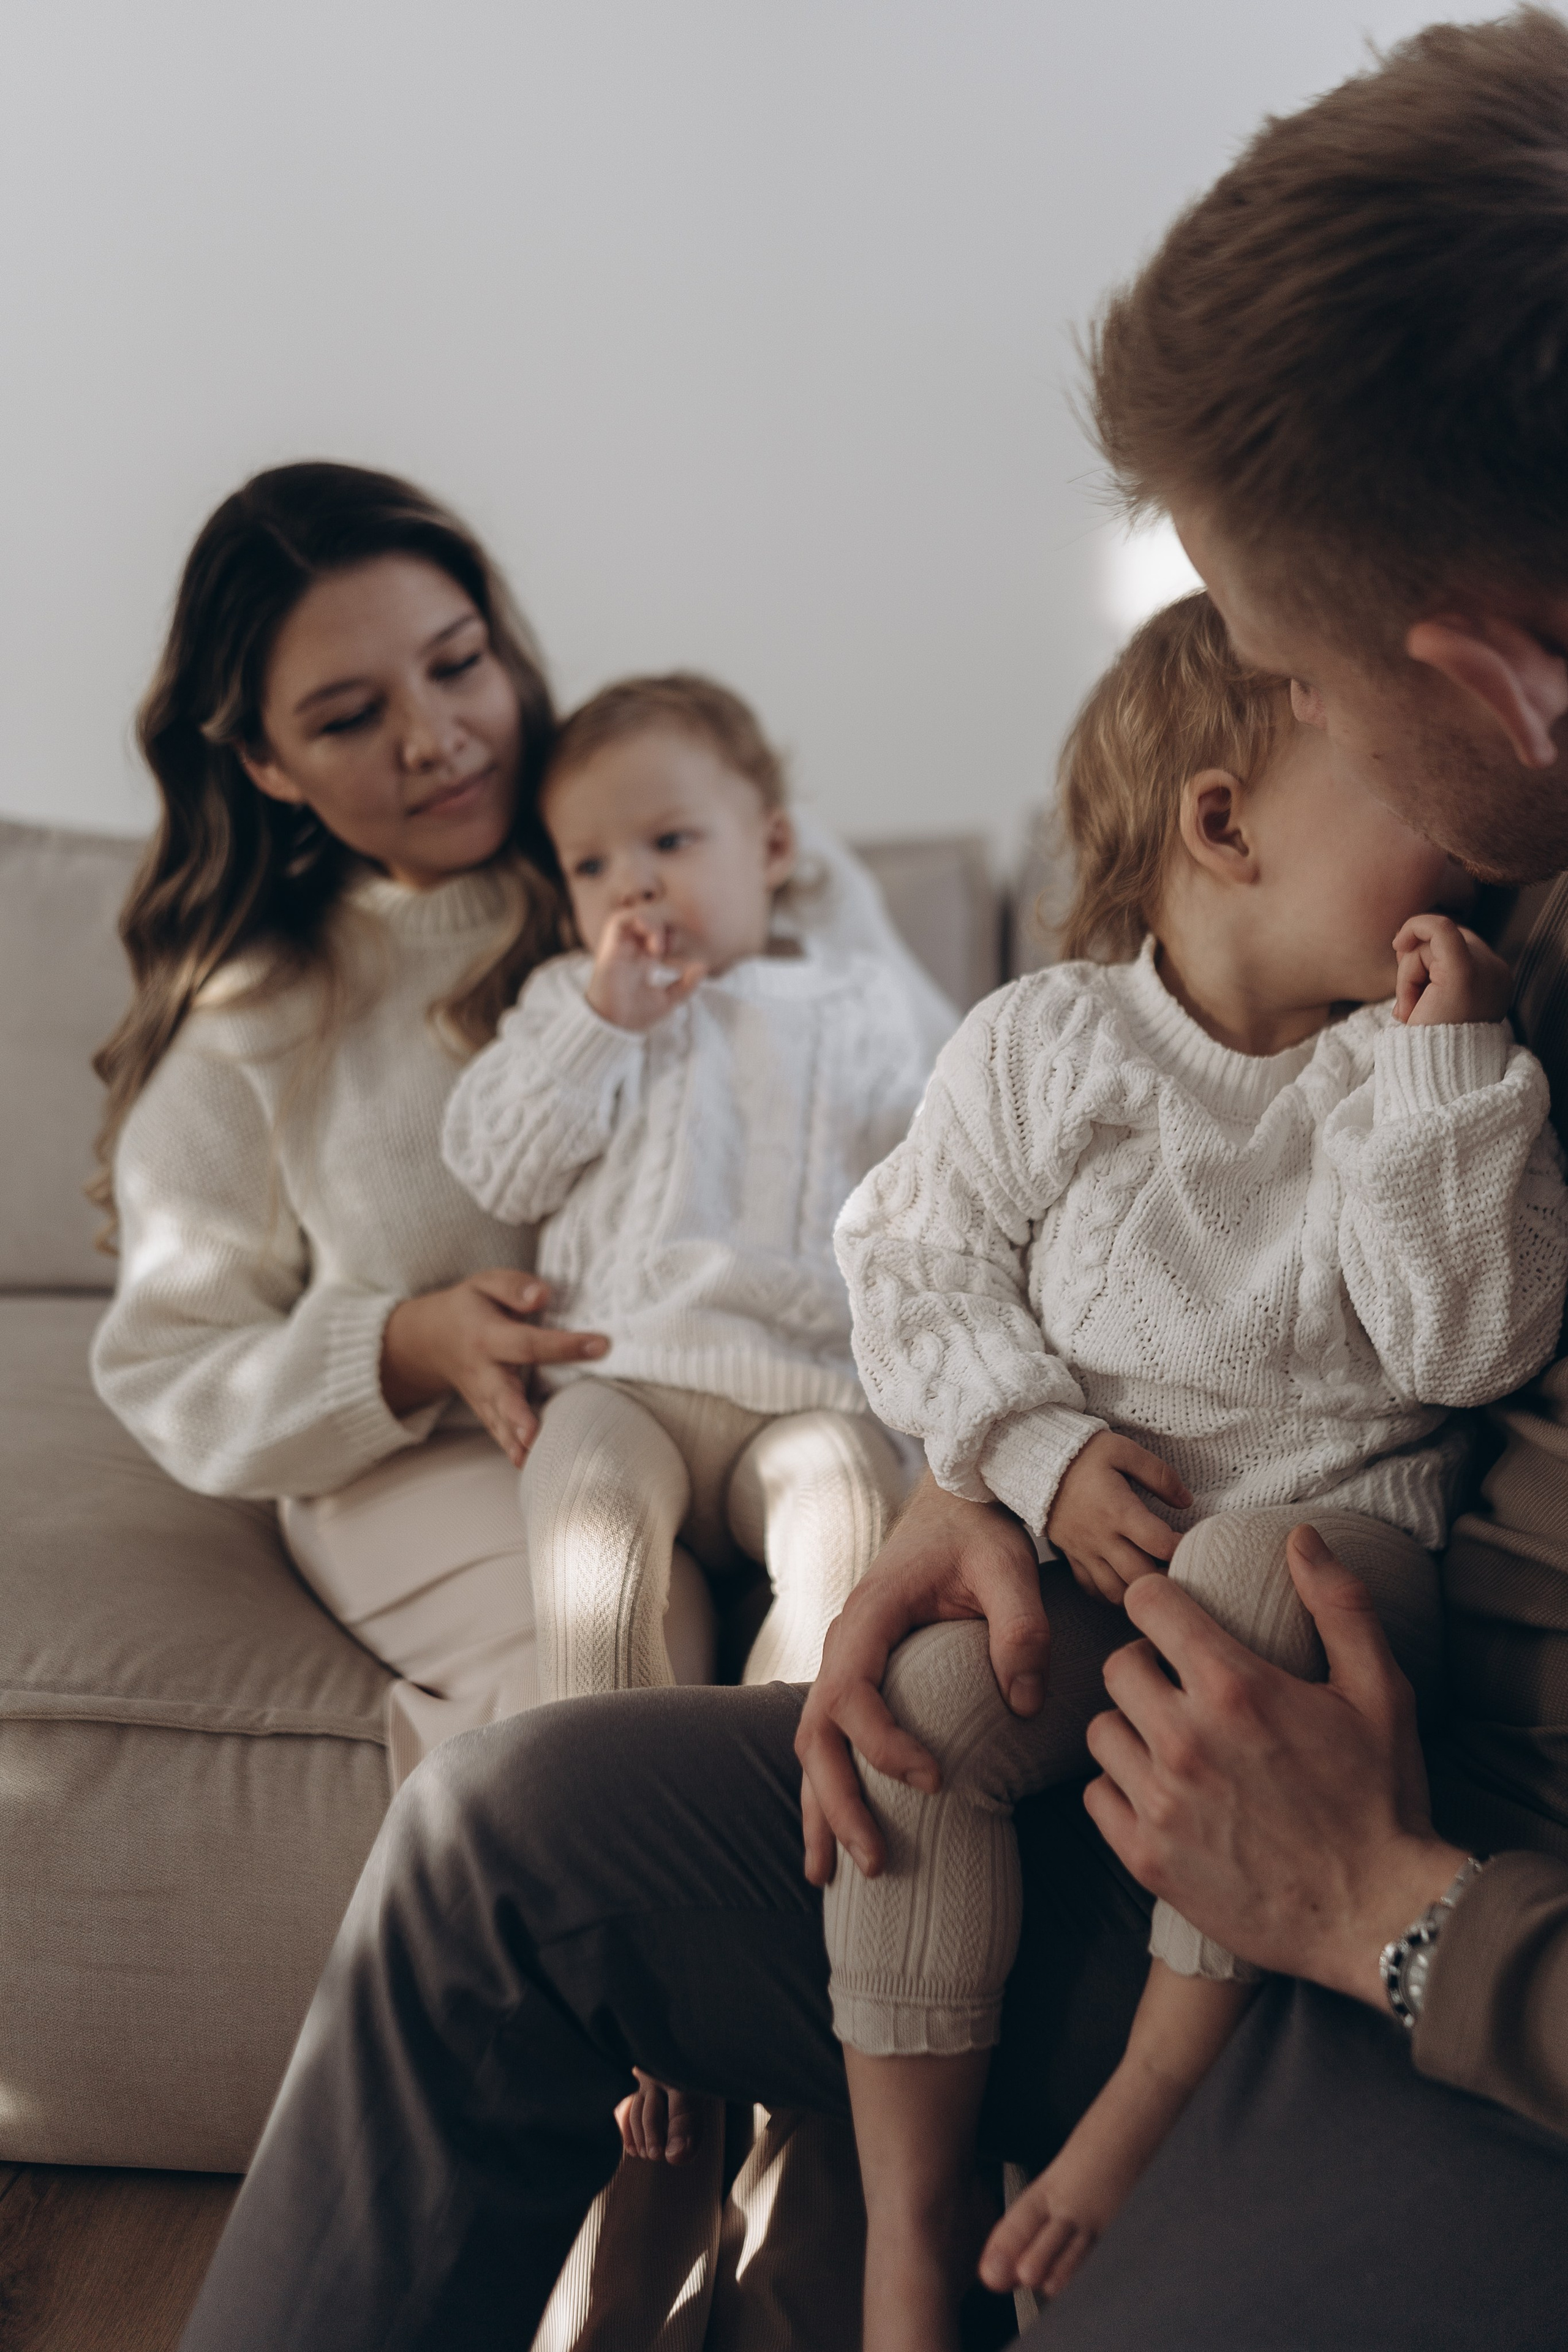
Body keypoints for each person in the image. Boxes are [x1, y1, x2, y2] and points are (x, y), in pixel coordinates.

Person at [176, 16, 1568, 2351]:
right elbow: (945, 1235)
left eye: (1290, 666)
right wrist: (975, 1464)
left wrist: (1399, 1915)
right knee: (503, 1834)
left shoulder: (1434, 977)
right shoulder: (1467, 879)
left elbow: (1422, 1339)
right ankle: (859, 2205)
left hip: (1436, 1916)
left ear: (1488, 674)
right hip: (1165, 1735)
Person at [86, 460, 952, 2349]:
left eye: (458, 662)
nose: (437, 734)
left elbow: (929, 1116)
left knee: (843, 1668)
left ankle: (819, 2231)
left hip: (750, 1385)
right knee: (598, 1698)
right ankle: (616, 2262)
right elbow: (165, 1357)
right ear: (260, 761)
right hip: (424, 1448)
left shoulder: (671, 824)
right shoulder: (259, 1008)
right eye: (349, 716)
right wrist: (403, 1341)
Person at [823, 588, 1568, 2343]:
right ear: (1223, 825)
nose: (1469, 849)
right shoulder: (1044, 1047)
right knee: (927, 1708)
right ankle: (909, 2223)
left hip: (1331, 1564)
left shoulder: (1415, 1072)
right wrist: (1032, 1448)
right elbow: (911, 1266)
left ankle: (1146, 2104)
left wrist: (1454, 1075)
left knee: (1247, 1586)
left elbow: (1469, 1349)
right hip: (1096, 1558)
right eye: (1409, 796)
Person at [442, 671, 924, 1713]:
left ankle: (766, 1778)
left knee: (849, 1530)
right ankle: (611, 1781)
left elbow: (935, 1190)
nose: (633, 886)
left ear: (774, 847)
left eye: (669, 841)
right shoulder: (569, 1002)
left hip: (805, 1389)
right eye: (591, 864)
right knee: (592, 1557)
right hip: (619, 1375)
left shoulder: (863, 1005)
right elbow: (499, 1169)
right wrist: (599, 1027)